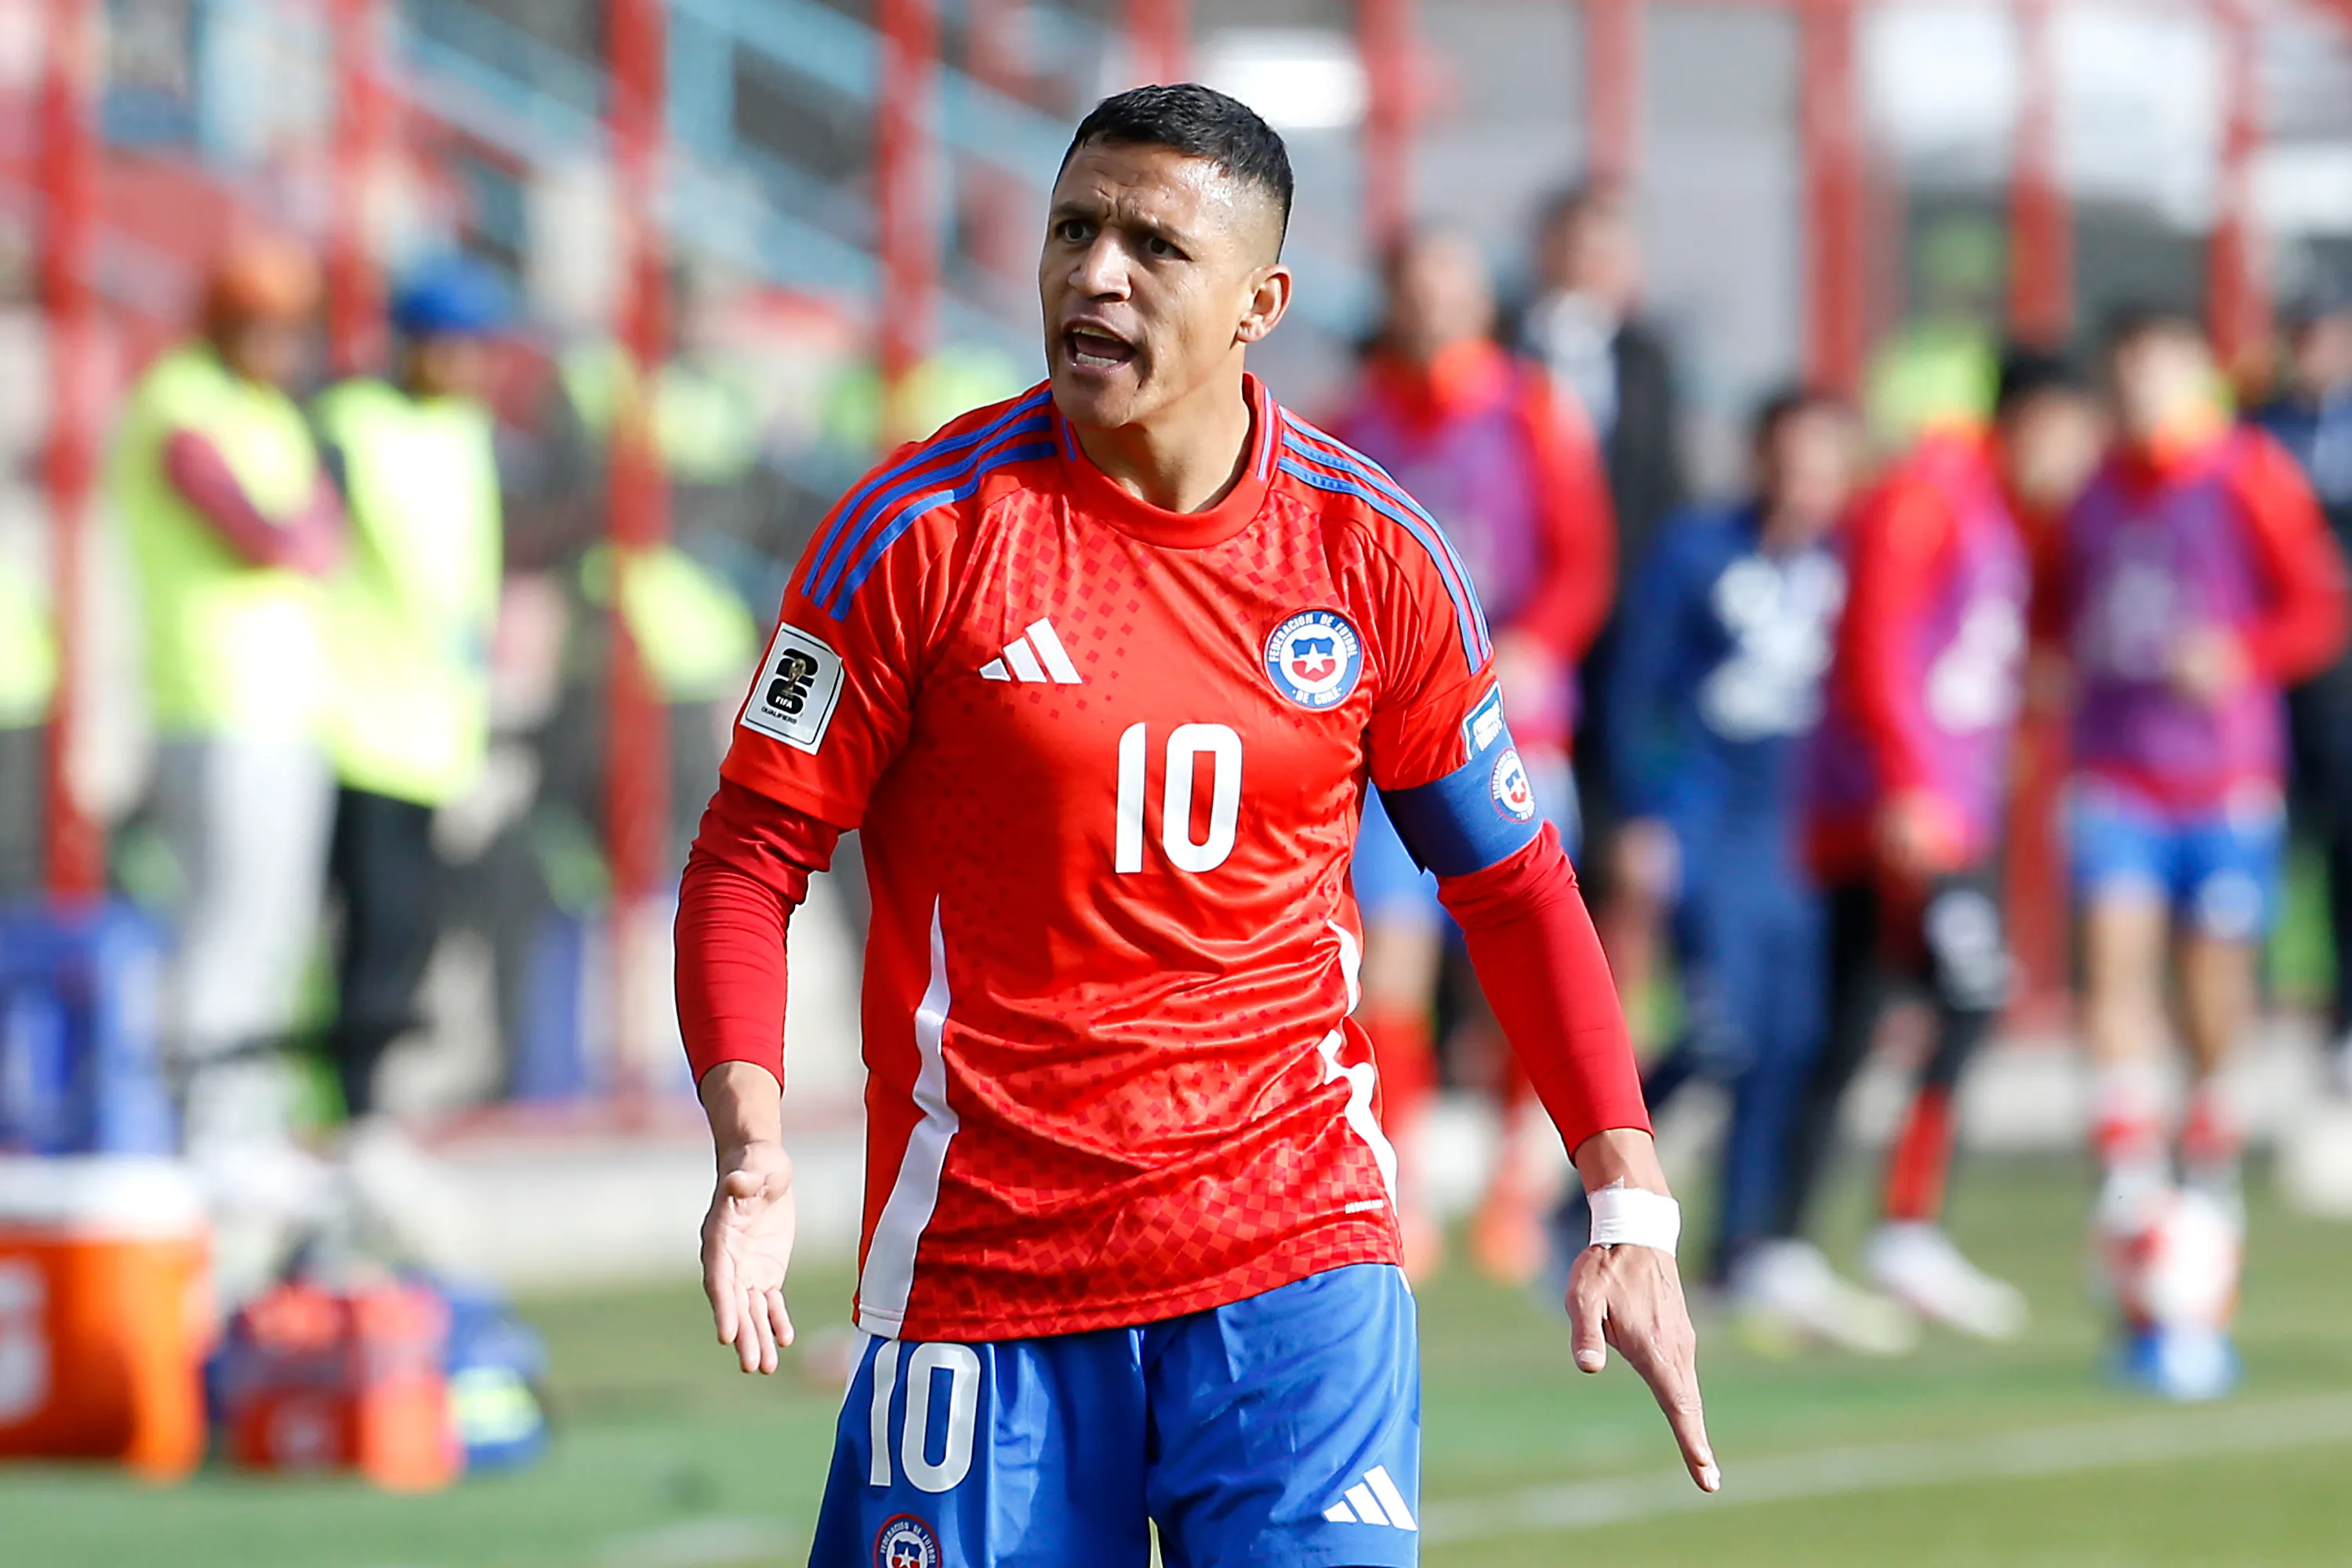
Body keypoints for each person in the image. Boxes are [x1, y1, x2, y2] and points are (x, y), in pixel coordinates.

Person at [675, 85, 1715, 1566]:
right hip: (993, 1268)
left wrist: (1628, 1197)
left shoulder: (1370, 553)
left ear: (1259, 306)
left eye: (1154, 246)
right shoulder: (920, 536)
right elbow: (748, 855)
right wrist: (752, 1148)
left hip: (1295, 1255)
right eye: (1073, 230)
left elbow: (1514, 883)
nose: (1096, 273)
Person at [1744, 348, 2103, 1352]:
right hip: (1893, 810)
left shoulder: (1993, 510)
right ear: (2040, 416)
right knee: (1952, 993)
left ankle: (1798, 1241)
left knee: (1868, 1013)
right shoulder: (1930, 491)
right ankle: (1877, 1230)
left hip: (1944, 805)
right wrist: (1908, 781)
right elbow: (1877, 637)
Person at [2053, 308, 2348, 1396]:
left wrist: (2242, 653)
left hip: (2224, 776)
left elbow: (2317, 607)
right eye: (2124, 370)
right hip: (2115, 768)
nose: (2140, 389)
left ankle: (2209, 1157)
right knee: (2113, 958)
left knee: (2212, 984)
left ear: (2195, 376)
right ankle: (2133, 1173)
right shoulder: (2090, 491)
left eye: (2159, 368)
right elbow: (2051, 605)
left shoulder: (2249, 475)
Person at [1328, 226, 1614, 1282]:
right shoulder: (1353, 423)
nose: (1432, 308)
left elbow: (1582, 562)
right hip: (1386, 739)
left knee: (1513, 964)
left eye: (1450, 289)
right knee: (1388, 968)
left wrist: (1539, 643)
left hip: (1510, 733)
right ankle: (1401, 1183)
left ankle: (1514, 1178)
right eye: (1415, 288)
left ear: (1483, 304)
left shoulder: (1532, 412)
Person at [1569, 389, 1857, 1290]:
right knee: (1718, 1032)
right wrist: (1642, 814)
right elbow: (1635, 691)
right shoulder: (1695, 552)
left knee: (1791, 1036)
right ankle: (1585, 1200)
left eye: (1822, 464)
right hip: (1706, 823)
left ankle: (1744, 1244)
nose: (1804, 482)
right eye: (1790, 459)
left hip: (1795, 831)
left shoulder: (1846, 562)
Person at [110, 240, 343, 1187]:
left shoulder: (264, 411)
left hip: (289, 704)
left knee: (278, 928)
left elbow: (315, 534)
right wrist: (298, 530)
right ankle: (207, 1131)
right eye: (265, 328)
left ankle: (250, 1124)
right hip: (214, 702)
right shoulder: (179, 402)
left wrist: (300, 530)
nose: (283, 348)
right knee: (225, 924)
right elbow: (268, 533)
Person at [313, 256, 509, 1121]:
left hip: (436, 729)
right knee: (371, 928)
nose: (466, 363)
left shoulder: (464, 431)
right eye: (450, 344)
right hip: (357, 720)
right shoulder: (351, 424)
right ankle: (352, 1112)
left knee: (413, 933)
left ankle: (369, 1108)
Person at [1517, 181, 1690, 1046]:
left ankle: (1618, 1028)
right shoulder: (1503, 348)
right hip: (1523, 631)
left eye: (1608, 250)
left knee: (1627, 832)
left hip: (1628, 632)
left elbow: (1665, 487)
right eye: (1578, 246)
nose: (1592, 267)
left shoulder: (1650, 358)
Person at [2249, 285, 2352, 1093]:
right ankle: (2243, 1008)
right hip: (2267, 671)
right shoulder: (2256, 431)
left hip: (2343, 678)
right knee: (2264, 838)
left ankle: (2342, 1017)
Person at [0, 553, 54, 899]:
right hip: (23, 705)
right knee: (17, 821)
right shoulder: (13, 574)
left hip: (22, 707)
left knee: (17, 820)